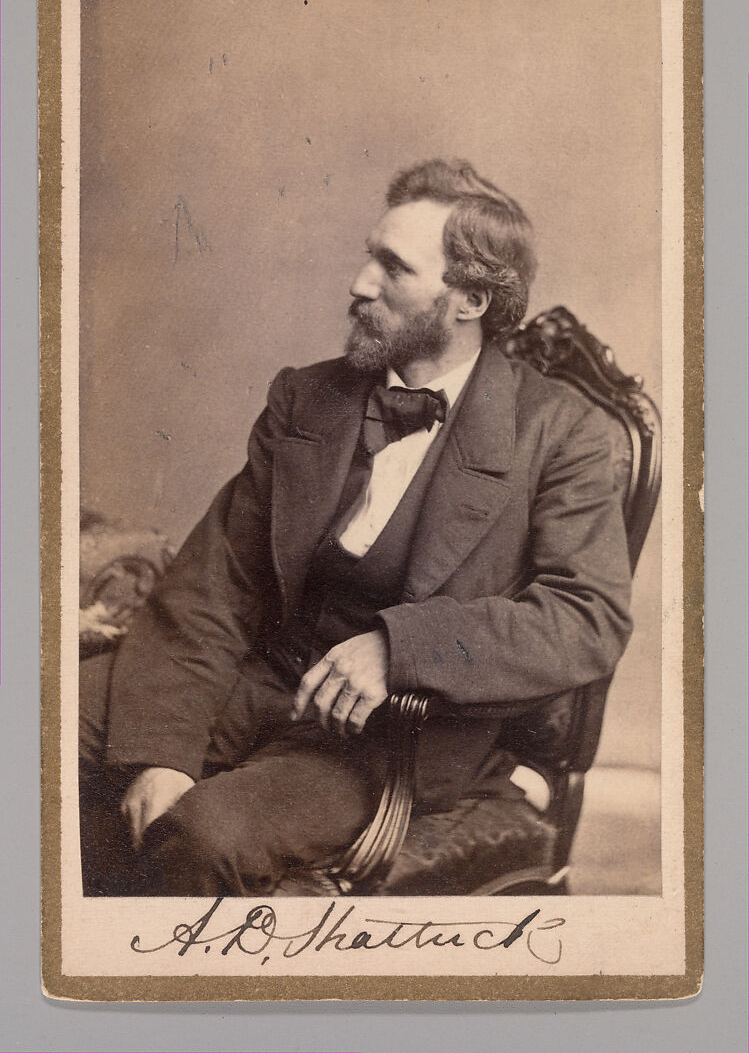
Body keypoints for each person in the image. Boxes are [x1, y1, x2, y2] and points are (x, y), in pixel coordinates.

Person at [79, 158, 633, 896]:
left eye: (392, 267)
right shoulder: (307, 397)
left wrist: (401, 648)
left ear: (469, 299)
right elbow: (214, 585)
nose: (359, 283)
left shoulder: (563, 434)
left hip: (395, 735)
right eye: (369, 256)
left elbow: (587, 617)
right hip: (257, 680)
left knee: (203, 837)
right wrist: (160, 753)